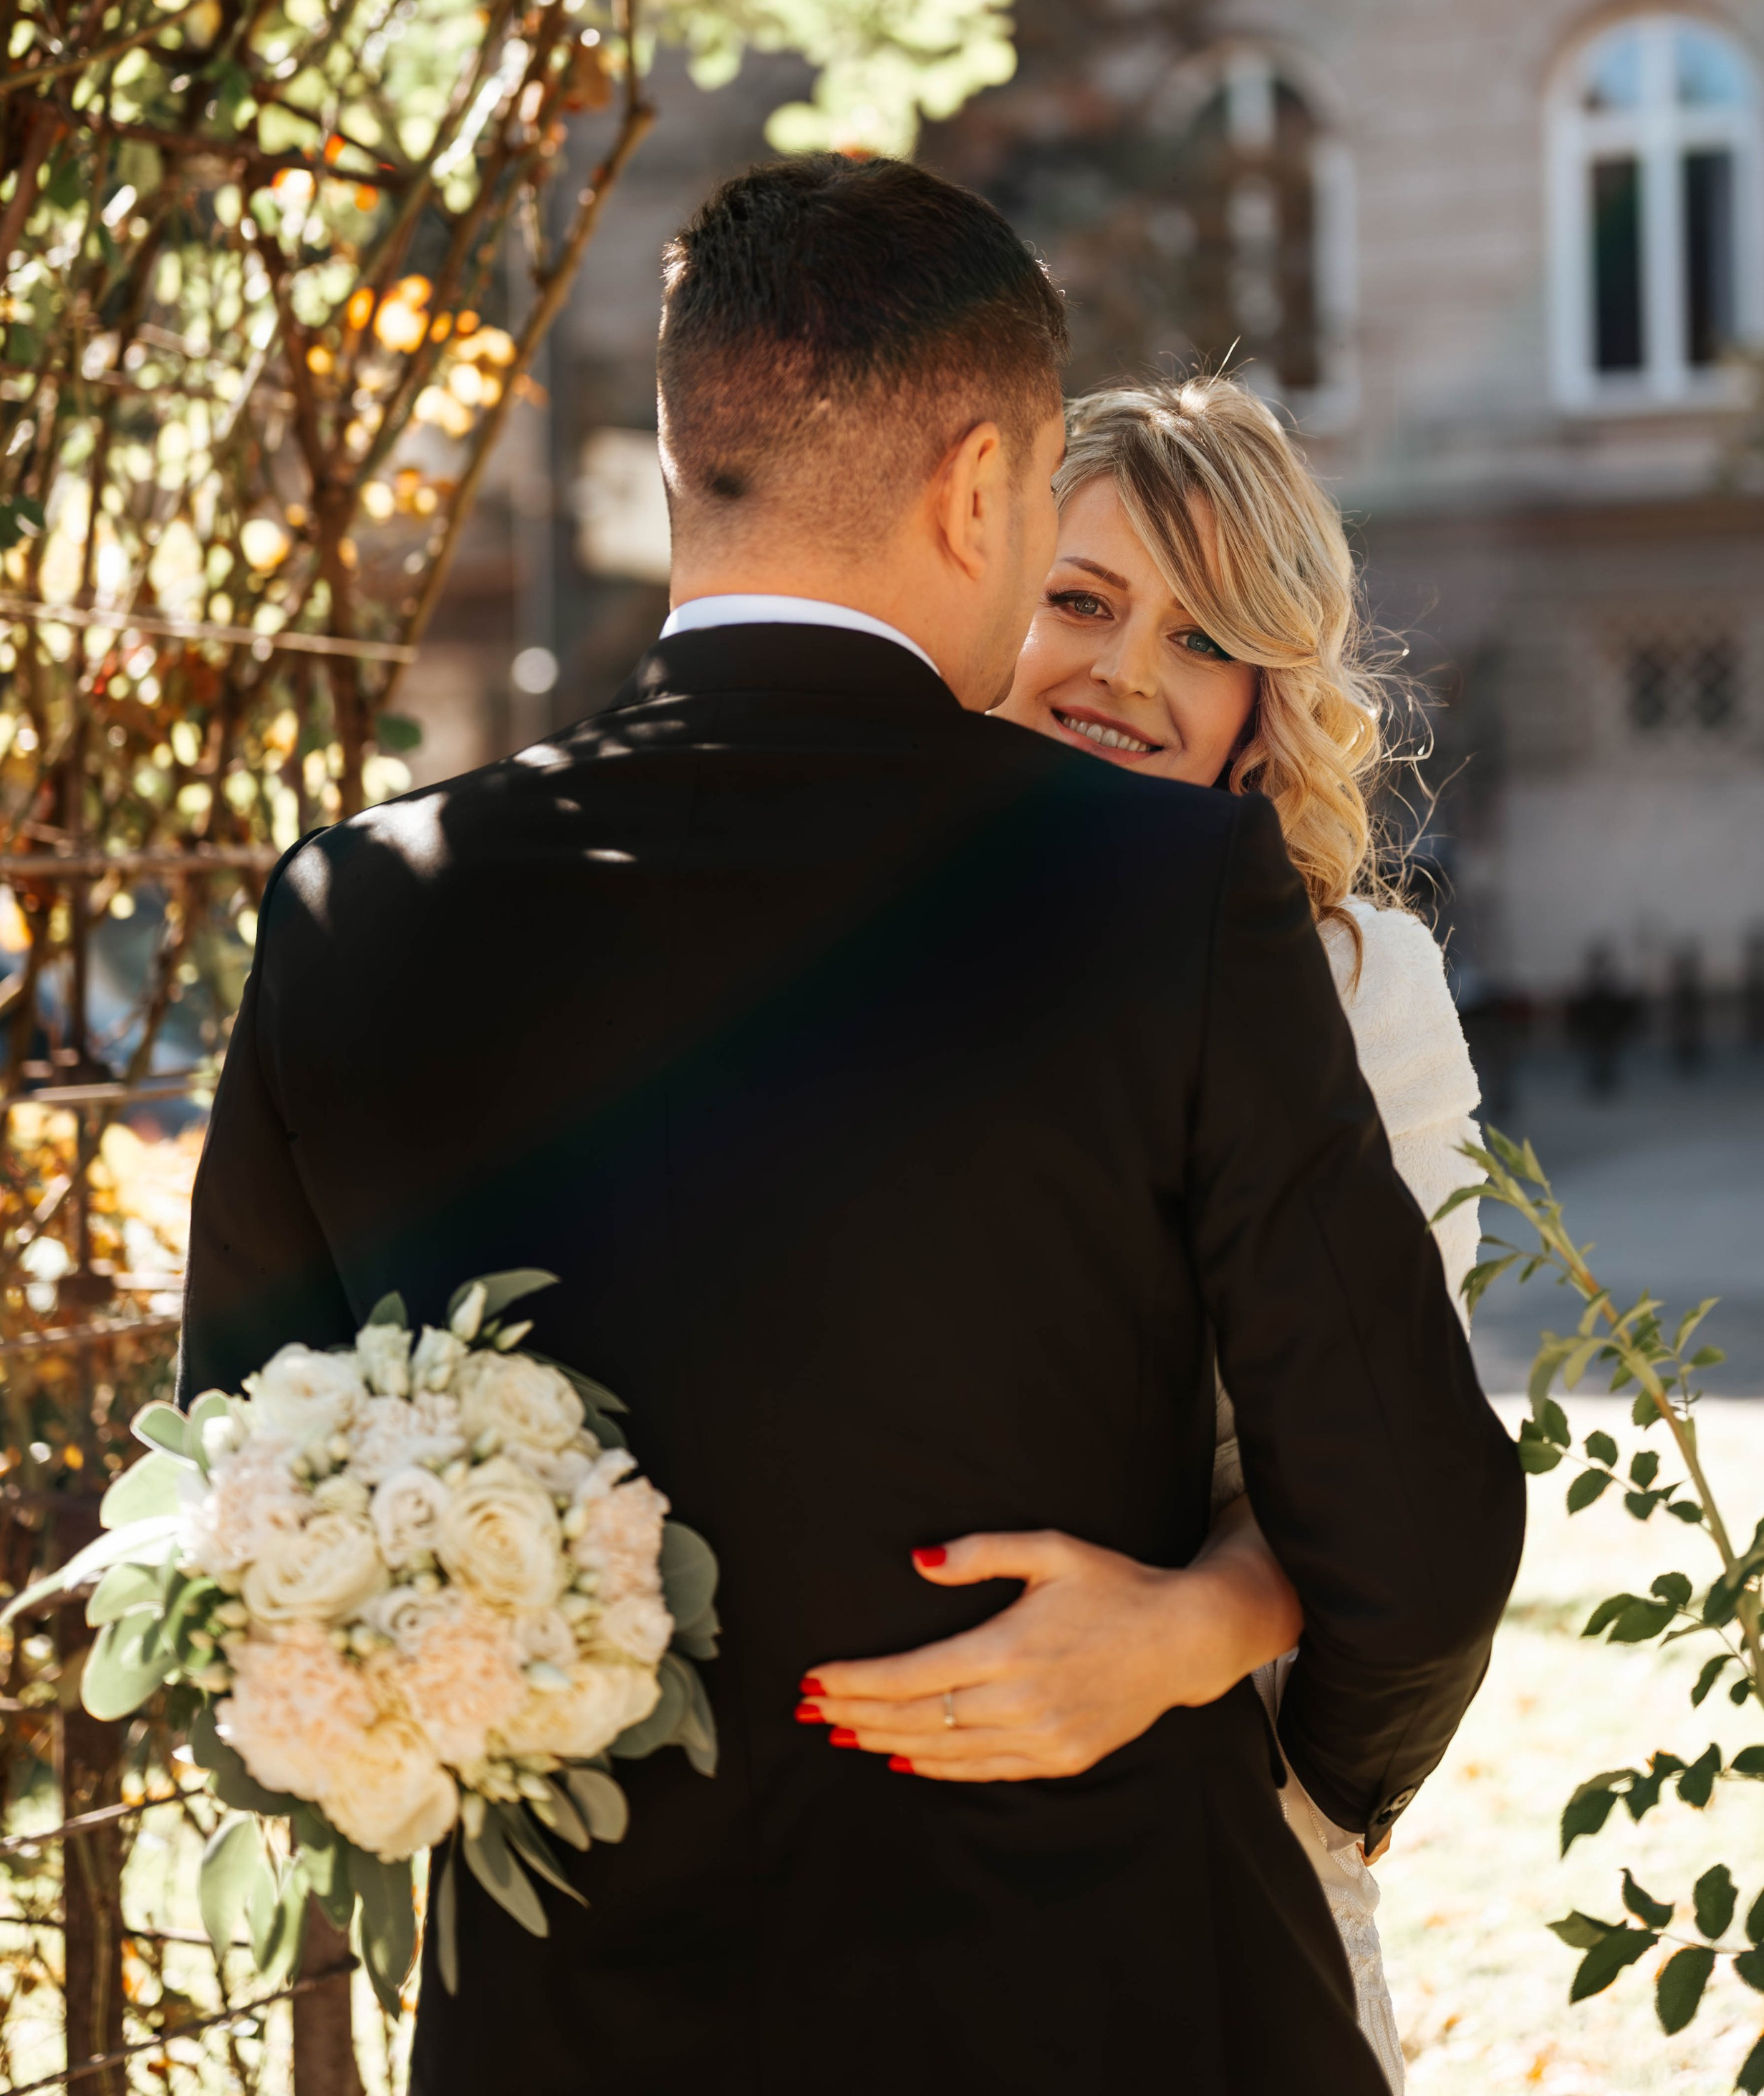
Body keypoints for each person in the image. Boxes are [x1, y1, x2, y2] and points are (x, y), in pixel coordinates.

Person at [181, 155, 1523, 2096]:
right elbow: (1415, 1525)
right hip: (1110, 1996)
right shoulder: (1163, 902)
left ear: (681, 461)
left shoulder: (354, 914)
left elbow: (246, 1522)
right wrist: (1298, 1786)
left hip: (577, 2024)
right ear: (986, 488)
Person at [824, 372, 1482, 2089]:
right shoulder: (830, 939)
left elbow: (1384, 1450)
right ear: (990, 603)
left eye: (1198, 642)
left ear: (1261, 711)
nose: (1120, 672)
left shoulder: (1358, 995)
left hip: (1197, 1811)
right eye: (1083, 600)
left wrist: (1184, 1632)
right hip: (838, 1823)